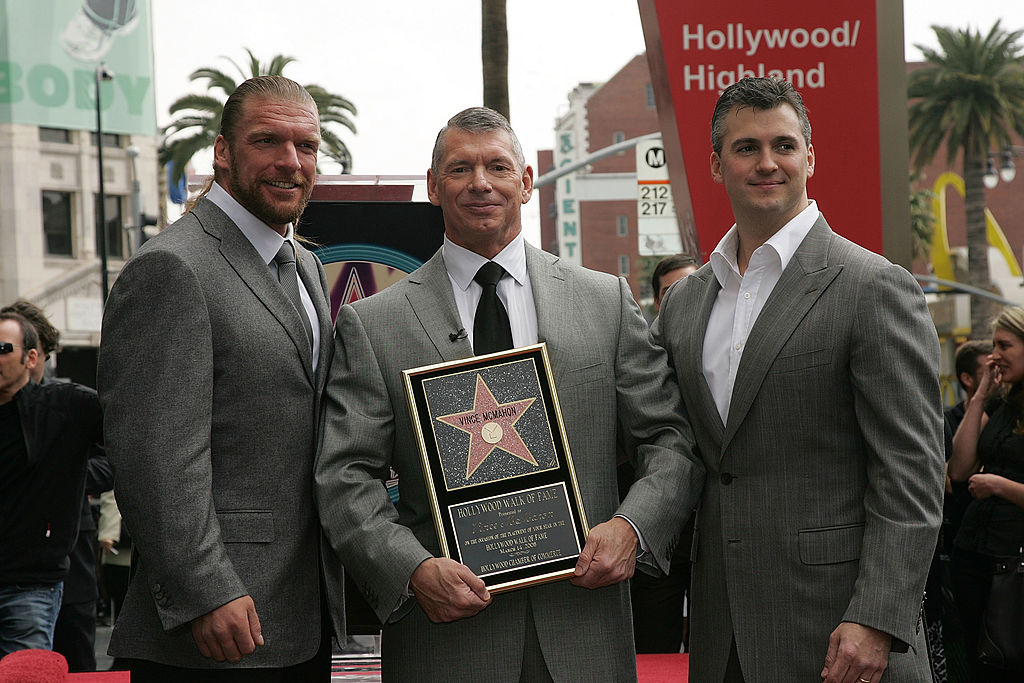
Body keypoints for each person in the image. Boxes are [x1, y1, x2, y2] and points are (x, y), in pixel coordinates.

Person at [315, 106, 704, 682]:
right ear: (433, 186)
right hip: (444, 641)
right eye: (459, 169)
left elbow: (670, 439)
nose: (480, 183)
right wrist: (414, 569)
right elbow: (344, 477)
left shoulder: (605, 302)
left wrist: (634, 526)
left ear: (524, 182)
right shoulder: (374, 324)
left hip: (584, 630)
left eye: (497, 166)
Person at [652, 77, 944, 682]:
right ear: (715, 163)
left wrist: (877, 617)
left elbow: (911, 473)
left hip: (842, 632)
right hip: (720, 631)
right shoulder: (685, 305)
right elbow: (673, 447)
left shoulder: (873, 286)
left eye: (783, 145)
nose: (767, 163)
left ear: (810, 156)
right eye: (745, 148)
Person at [97, 75, 342, 680]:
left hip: (299, 619)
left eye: (306, 146)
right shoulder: (171, 267)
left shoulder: (305, 265)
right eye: (268, 141)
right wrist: (204, 588)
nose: (291, 162)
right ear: (223, 152)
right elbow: (154, 453)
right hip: (212, 630)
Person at [0, 312, 104, 658]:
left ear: (32, 358)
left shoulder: (65, 406)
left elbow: (132, 435)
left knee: (28, 670)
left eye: (2, 348)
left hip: (29, 583)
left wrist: (72, 479)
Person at [624, 253, 699, 654]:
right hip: (655, 536)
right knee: (654, 648)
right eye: (671, 292)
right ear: (656, 300)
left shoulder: (721, 346)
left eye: (691, 286)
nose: (681, 299)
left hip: (713, 530)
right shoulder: (639, 353)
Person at [949, 308, 1024, 681]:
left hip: (1015, 562)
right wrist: (980, 396)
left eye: (1005, 345)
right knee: (979, 662)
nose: (995, 355)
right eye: (993, 345)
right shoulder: (1001, 404)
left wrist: (997, 485)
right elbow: (960, 468)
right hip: (974, 554)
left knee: (1008, 660)